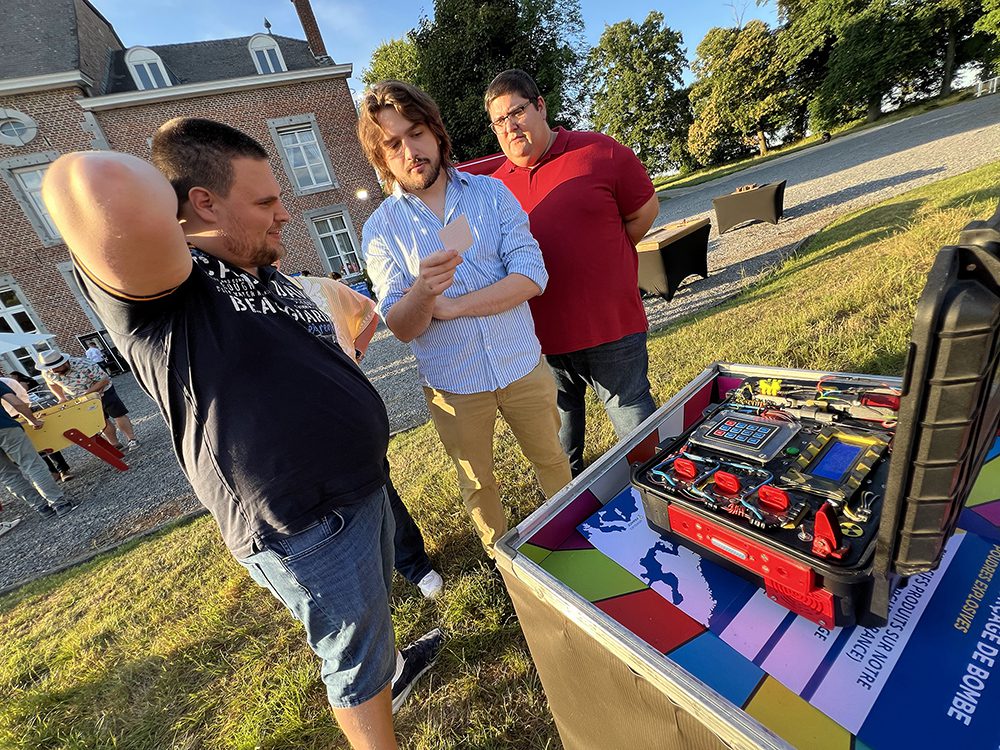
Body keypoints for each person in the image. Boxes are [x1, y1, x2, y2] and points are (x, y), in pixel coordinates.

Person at [41, 117, 441, 749]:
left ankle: (391, 670)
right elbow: (85, 177)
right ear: (203, 204)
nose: (284, 214)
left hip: (358, 486)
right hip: (302, 518)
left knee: (369, 617)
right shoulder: (170, 292)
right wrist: (175, 167)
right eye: (264, 202)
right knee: (352, 657)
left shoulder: (259, 270)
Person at [358, 81, 572, 552]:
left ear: (436, 132)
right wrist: (422, 291)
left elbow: (532, 276)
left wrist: (452, 306)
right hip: (453, 383)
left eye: (416, 133)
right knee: (477, 483)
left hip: (521, 364)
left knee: (552, 459)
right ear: (382, 158)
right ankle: (505, 561)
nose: (410, 152)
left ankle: (573, 537)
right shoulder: (380, 230)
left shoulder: (492, 194)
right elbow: (400, 324)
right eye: (393, 144)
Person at [485, 69, 660, 476]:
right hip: (541, 342)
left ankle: (658, 496)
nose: (510, 127)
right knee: (560, 446)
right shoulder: (492, 190)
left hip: (610, 328)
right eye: (499, 121)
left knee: (637, 429)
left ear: (540, 106)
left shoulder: (599, 151)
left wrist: (606, 258)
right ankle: (571, 502)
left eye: (517, 112)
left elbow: (644, 213)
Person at [293, 271, 444, 598]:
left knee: (381, 493)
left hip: (346, 417)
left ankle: (415, 565)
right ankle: (359, 586)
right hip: (293, 434)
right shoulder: (234, 304)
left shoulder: (317, 288)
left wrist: (355, 356)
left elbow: (368, 313)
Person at [36, 350, 139, 451]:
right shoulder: (48, 372)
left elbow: (104, 380)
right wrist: (61, 397)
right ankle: (115, 444)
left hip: (103, 391)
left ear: (65, 362)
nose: (53, 371)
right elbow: (52, 384)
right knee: (100, 420)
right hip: (81, 399)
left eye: (56, 367)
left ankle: (131, 439)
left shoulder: (84, 364)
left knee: (118, 415)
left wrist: (88, 393)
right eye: (50, 368)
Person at [0, 380, 74, 518]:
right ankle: (59, 503)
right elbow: (16, 403)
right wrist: (32, 420)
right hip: (5, 427)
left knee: (7, 475)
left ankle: (41, 507)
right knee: (32, 464)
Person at [0, 372, 72, 481]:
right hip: (8, 419)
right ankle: (52, 471)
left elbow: (22, 397)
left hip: (22, 413)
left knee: (45, 440)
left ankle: (63, 469)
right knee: (34, 446)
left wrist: (28, 416)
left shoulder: (8, 382)